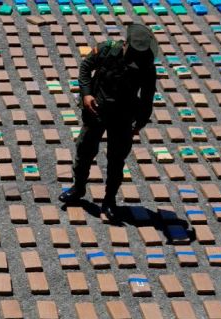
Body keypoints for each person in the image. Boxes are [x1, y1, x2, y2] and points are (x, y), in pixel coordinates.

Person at [59, 23, 157, 218]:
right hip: (97, 110)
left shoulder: (147, 66)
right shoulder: (107, 49)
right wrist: (86, 94)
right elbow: (85, 68)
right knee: (84, 151)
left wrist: (140, 124)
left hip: (123, 117)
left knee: (116, 160)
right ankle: (78, 189)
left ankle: (109, 200)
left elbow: (147, 98)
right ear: (125, 44)